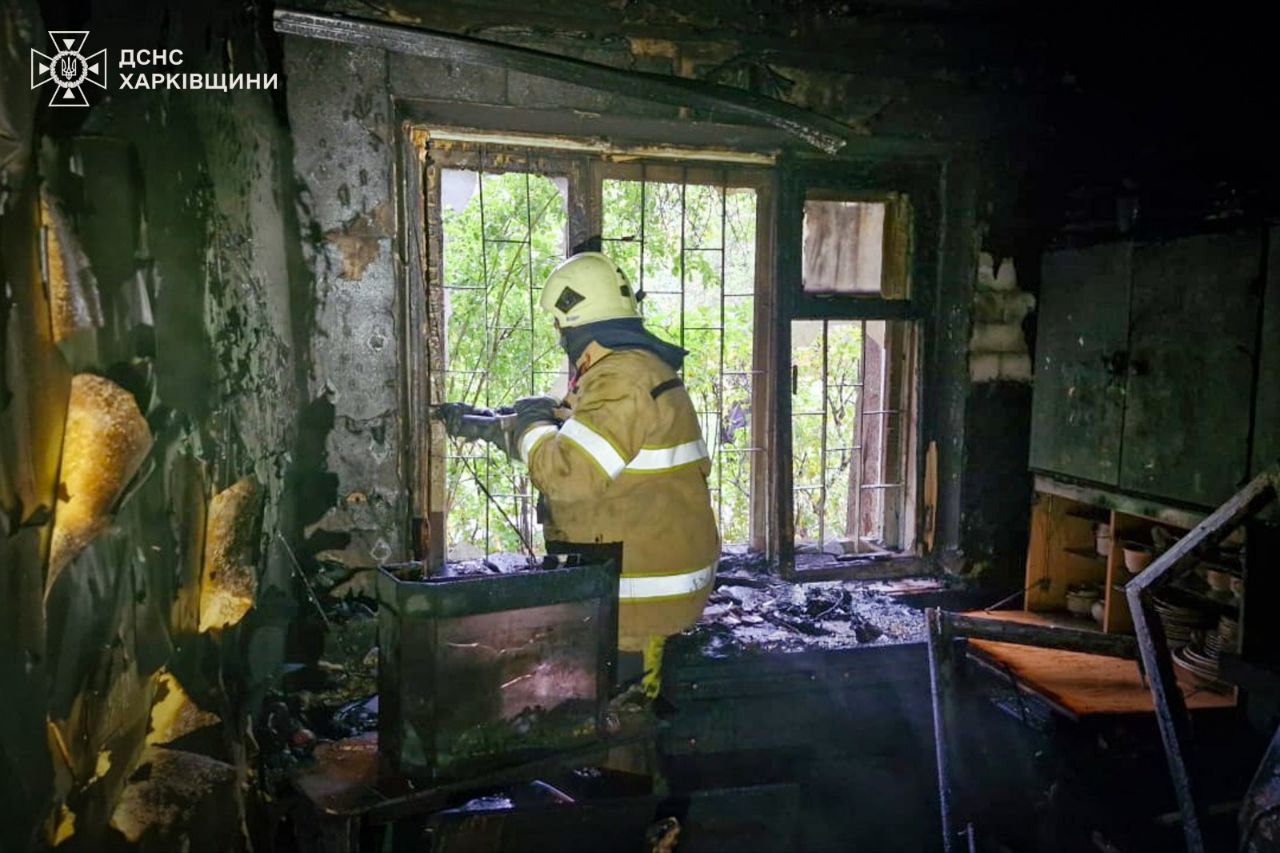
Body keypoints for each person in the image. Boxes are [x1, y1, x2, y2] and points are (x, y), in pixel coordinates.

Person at [438, 251, 719, 699]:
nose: (557, 335)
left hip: (638, 605)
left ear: (575, 323)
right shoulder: (629, 369)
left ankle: (628, 769)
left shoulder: (622, 378)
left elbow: (567, 474)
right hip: (639, 582)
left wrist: (530, 424)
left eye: (559, 324)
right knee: (622, 725)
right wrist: (490, 426)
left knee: (624, 730)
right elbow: (576, 438)